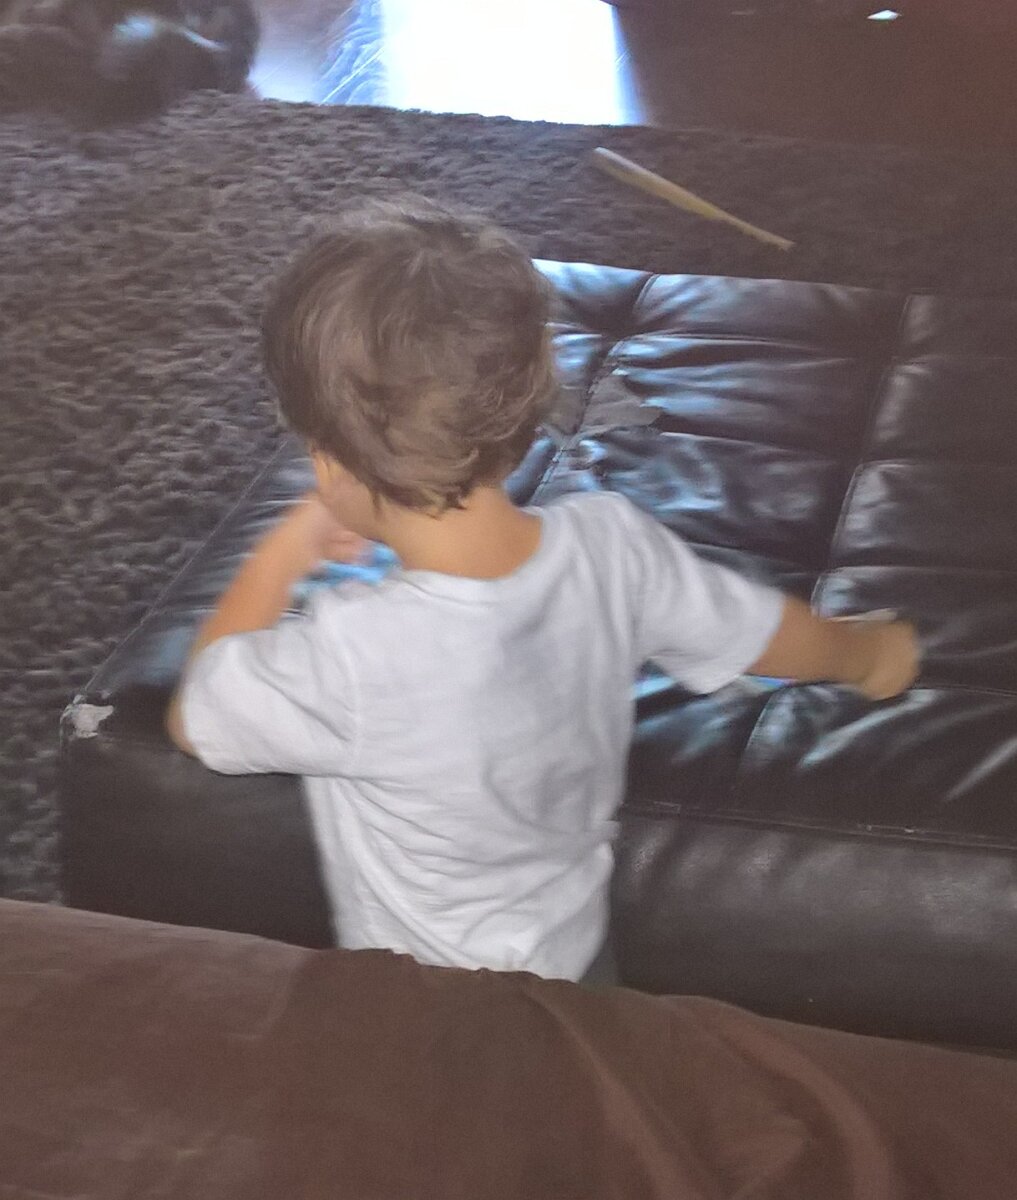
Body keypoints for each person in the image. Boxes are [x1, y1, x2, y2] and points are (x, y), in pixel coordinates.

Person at [166, 198, 919, 983]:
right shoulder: (613, 547)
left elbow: (198, 715)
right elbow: (761, 633)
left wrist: (285, 548)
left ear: (328, 462)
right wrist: (865, 656)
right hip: (577, 963)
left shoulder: (352, 652)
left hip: (427, 1008)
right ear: (525, 405)